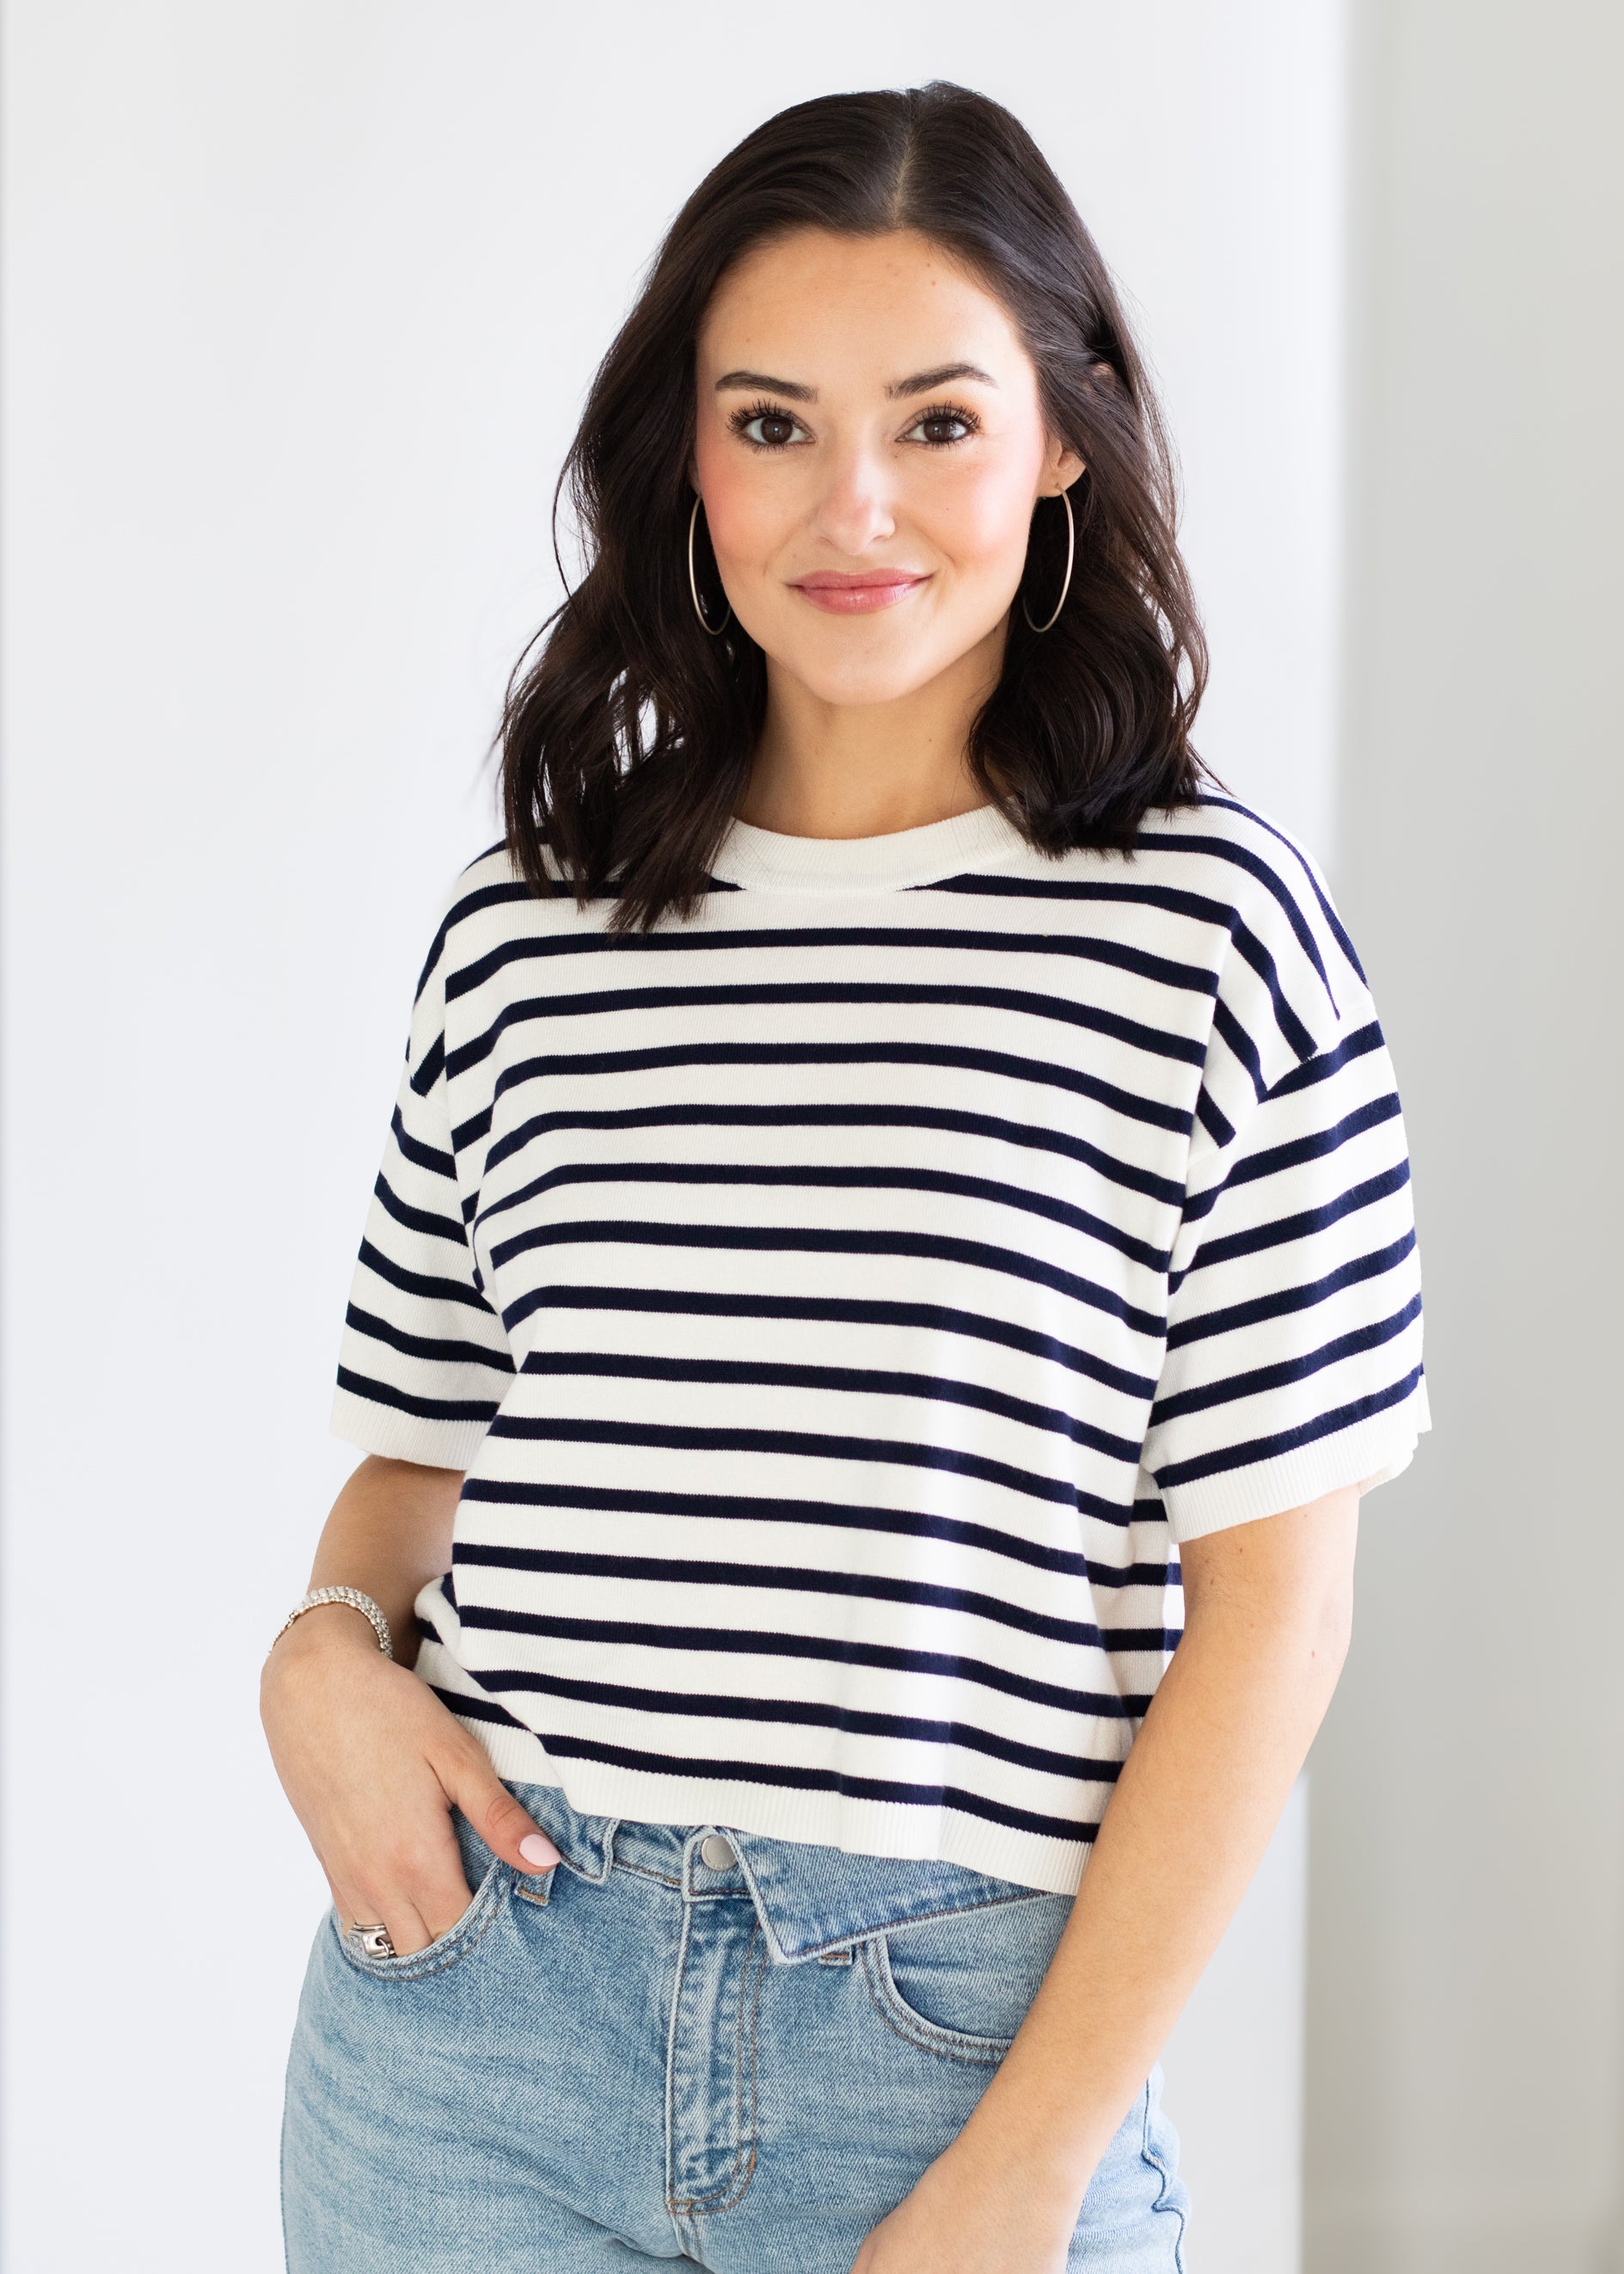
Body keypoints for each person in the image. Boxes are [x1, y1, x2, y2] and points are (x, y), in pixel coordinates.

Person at [264, 80, 1427, 2273]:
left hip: (956, 2039)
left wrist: (1029, 2166)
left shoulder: (1212, 930)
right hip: (476, 2016)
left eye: (940, 421)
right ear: (682, 458)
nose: (854, 503)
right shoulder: (533, 925)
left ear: (1066, 439)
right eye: (773, 423)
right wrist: (317, 1659)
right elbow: (423, 1447)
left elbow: (1275, 1611)